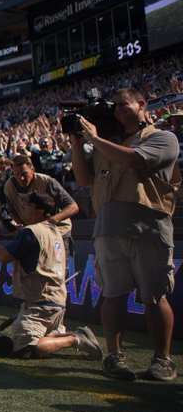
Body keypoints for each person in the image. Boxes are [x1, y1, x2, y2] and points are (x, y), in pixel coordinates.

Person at [71, 88, 179, 381]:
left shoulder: (162, 138)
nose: (117, 109)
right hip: (108, 229)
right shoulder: (108, 145)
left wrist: (94, 139)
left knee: (154, 296)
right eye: (114, 106)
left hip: (149, 228)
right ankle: (114, 356)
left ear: (142, 105)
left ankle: (162, 359)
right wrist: (77, 142)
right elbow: (83, 179)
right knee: (113, 295)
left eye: (123, 104)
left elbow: (133, 160)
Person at [0, 191, 102, 361]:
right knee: (30, 342)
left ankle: (76, 339)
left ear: (40, 212)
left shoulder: (30, 232)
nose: (22, 207)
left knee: (22, 349)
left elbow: (2, 257)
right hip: (56, 302)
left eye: (27, 205)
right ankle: (68, 333)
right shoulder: (53, 230)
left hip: (39, 305)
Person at [4, 153, 79, 258]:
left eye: (25, 173)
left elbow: (73, 207)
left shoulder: (47, 182)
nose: (21, 178)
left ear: (32, 169)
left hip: (58, 232)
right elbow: (13, 213)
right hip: (35, 234)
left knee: (60, 269)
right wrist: (22, 231)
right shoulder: (9, 186)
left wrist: (52, 221)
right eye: (17, 174)